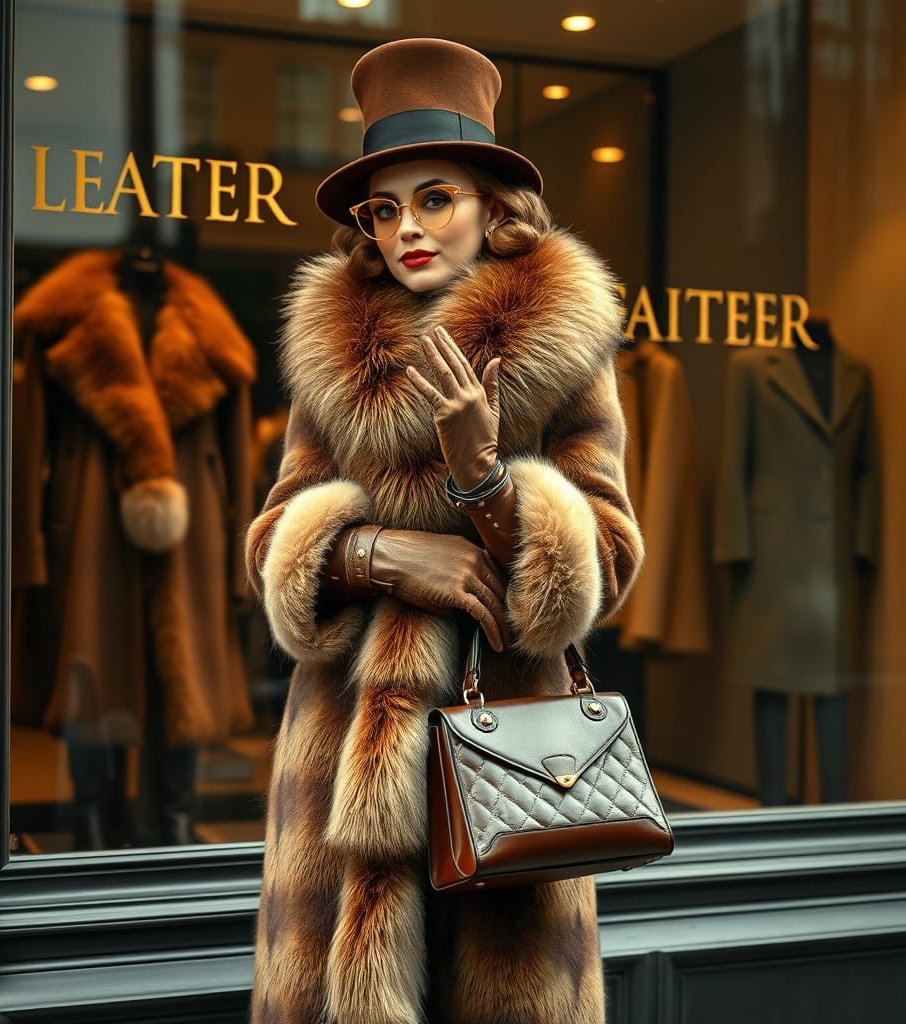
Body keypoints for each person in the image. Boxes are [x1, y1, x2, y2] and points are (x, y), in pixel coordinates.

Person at [244, 37, 644, 1024]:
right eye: (384, 208)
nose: (405, 228)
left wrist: (485, 479)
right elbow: (265, 545)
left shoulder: (561, 343)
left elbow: (610, 556)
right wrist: (375, 551)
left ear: (494, 207)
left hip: (507, 750)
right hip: (343, 749)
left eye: (434, 198)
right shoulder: (334, 349)